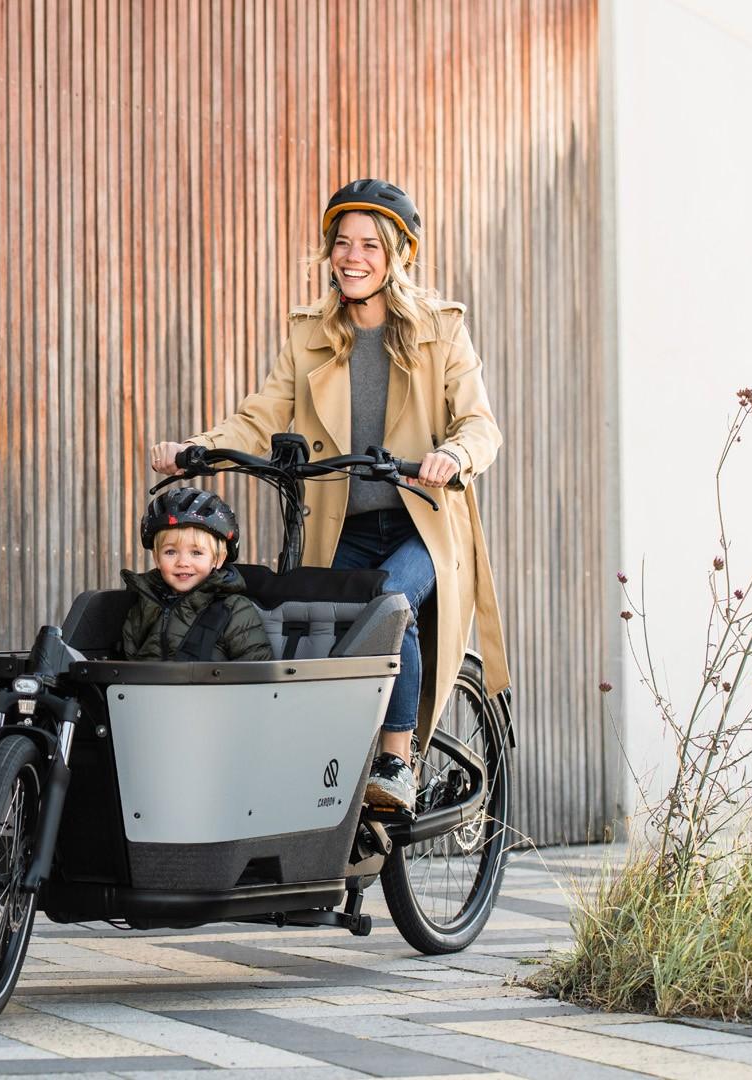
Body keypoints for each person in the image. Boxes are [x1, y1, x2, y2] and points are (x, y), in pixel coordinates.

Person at [148, 178, 510, 813]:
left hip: (418, 525)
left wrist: (453, 454)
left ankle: (397, 760)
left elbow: (480, 424)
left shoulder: (441, 329)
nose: (353, 256)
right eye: (342, 243)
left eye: (370, 244)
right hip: (338, 526)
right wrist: (198, 448)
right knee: (305, 633)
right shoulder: (311, 331)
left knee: (386, 604)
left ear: (399, 255)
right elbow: (261, 413)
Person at [120, 487, 274, 663]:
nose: (183, 562)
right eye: (170, 552)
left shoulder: (233, 610)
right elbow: (129, 668)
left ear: (218, 558)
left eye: (196, 553)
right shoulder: (143, 606)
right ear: (156, 557)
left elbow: (256, 673)